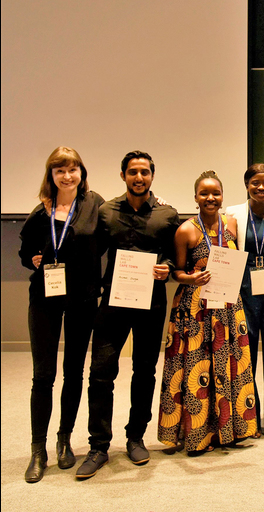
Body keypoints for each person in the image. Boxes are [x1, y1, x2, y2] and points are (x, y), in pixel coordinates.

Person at [77, 150, 180, 479]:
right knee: (100, 373)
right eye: (133, 172)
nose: (139, 177)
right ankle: (98, 446)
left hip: (151, 305)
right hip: (114, 304)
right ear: (123, 175)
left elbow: (176, 259)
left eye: (145, 172)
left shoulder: (167, 214)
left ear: (152, 175)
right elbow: (92, 257)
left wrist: (169, 268)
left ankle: (136, 437)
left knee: (144, 372)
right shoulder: (106, 212)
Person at [19, 147, 104, 483]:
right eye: (60, 171)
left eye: (73, 170)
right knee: (43, 375)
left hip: (82, 299)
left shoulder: (94, 204)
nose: (67, 176)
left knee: (73, 373)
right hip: (44, 299)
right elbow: (26, 251)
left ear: (81, 172)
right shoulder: (41, 211)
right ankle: (37, 449)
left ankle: (64, 440)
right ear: (51, 175)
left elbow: (116, 232)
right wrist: (34, 260)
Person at [157, 170, 257, 453]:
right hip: (195, 309)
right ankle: (198, 434)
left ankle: (230, 431)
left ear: (223, 196)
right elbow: (176, 272)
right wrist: (191, 278)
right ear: (196, 198)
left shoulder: (232, 224)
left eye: (216, 193)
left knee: (230, 365)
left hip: (227, 307)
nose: (210, 198)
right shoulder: (186, 230)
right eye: (204, 193)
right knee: (197, 369)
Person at [226, 164, 264, 438]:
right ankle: (249, 420)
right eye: (256, 182)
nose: (261, 187)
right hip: (244, 284)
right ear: (247, 184)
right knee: (246, 355)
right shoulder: (234, 213)